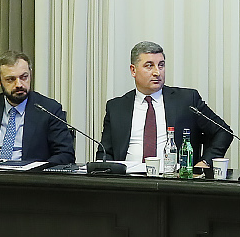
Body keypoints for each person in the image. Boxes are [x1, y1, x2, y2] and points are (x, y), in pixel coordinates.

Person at [98, 41, 232, 170]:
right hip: (127, 180)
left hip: (173, 179)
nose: (157, 72)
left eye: (161, 65)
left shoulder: (186, 100)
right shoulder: (116, 107)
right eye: (149, 66)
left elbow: (223, 131)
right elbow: (105, 152)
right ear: (133, 70)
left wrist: (205, 163)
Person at [0, 51, 76, 164]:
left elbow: (65, 154)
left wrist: (38, 170)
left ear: (30, 74)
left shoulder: (49, 109)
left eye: (24, 77)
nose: (19, 84)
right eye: (10, 79)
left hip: (31, 175)